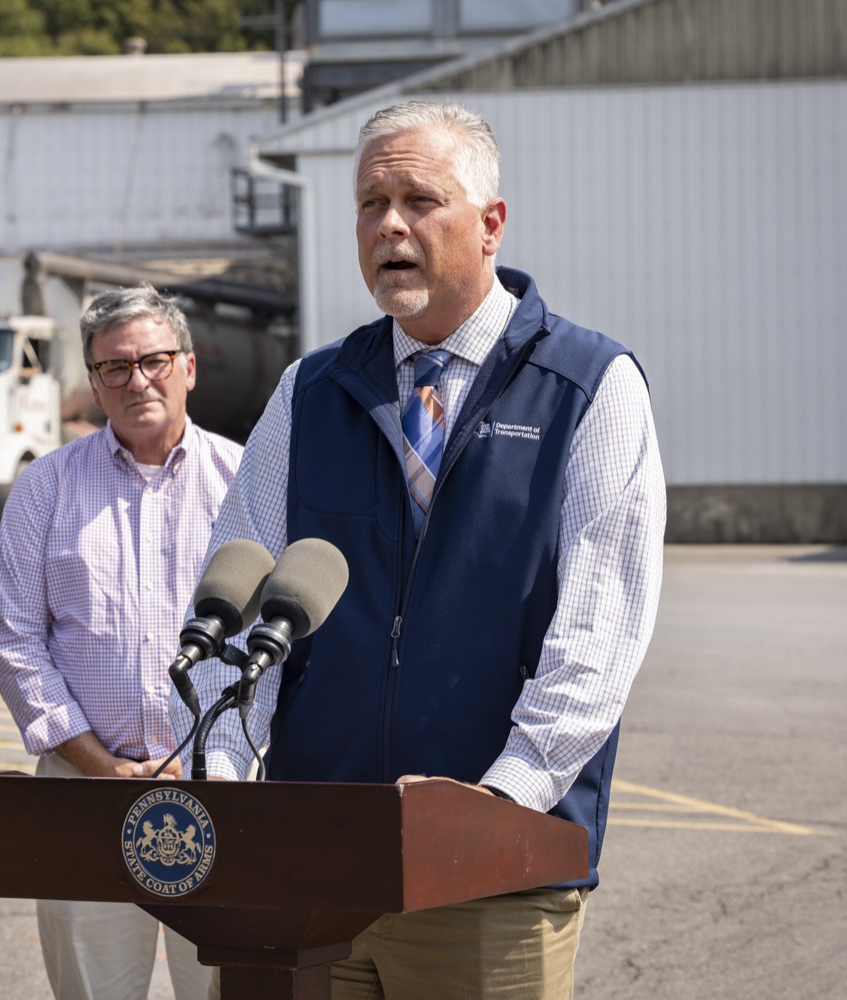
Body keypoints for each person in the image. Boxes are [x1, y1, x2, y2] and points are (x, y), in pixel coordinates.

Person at [178, 101, 667, 999]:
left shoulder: (589, 389)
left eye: (419, 200)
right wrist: (224, 780)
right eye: (370, 204)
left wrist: (499, 800)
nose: (389, 226)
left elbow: (600, 633)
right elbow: (239, 588)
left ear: (491, 224)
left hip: (491, 874)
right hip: (307, 866)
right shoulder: (310, 391)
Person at [0, 284, 240, 1000]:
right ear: (94, 384)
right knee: (92, 989)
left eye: (154, 360)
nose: (138, 381)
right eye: (115, 367)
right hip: (84, 789)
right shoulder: (45, 487)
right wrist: (98, 765)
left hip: (219, 789)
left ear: (188, 367)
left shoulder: (244, 480)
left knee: (225, 985)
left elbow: (272, 643)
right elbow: (14, 639)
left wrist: (214, 762)